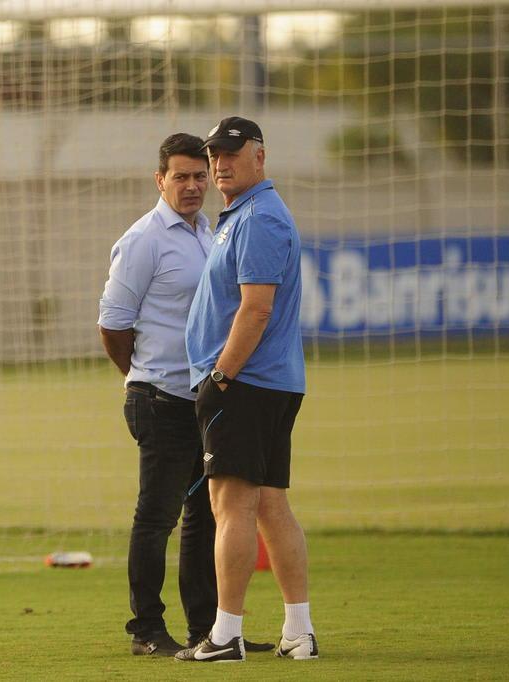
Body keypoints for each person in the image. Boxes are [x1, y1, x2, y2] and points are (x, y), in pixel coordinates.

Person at [98, 133, 273, 657]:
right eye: (182, 176)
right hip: (160, 398)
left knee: (207, 516)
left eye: (200, 176)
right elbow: (112, 324)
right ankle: (146, 629)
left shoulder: (210, 232)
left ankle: (208, 630)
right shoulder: (144, 239)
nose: (194, 185)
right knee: (157, 517)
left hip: (205, 399)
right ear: (160, 180)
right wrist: (143, 376)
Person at [175, 116, 318, 663]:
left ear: (260, 155)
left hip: (246, 382)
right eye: (215, 154)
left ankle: (226, 633)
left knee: (230, 504)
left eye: (231, 153)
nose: (219, 163)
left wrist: (220, 376)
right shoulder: (242, 215)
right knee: (269, 506)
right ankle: (298, 633)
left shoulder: (258, 217)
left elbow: (256, 308)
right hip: (265, 381)